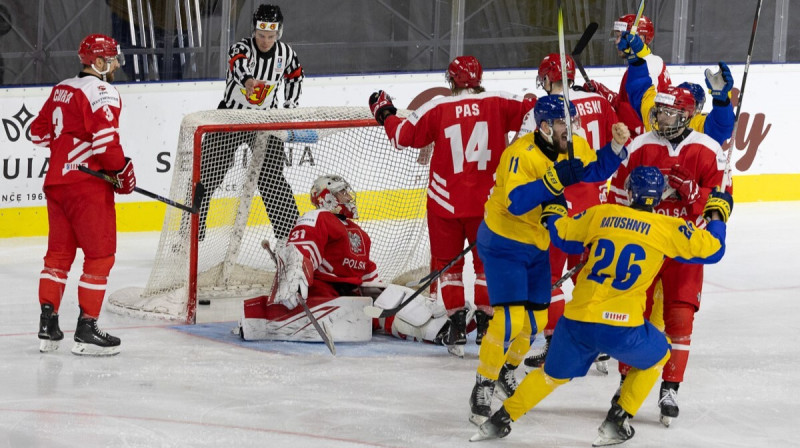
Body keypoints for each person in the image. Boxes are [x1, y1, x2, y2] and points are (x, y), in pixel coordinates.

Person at [470, 166, 733, 446]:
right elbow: (714, 249)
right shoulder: (667, 228)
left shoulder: (602, 214)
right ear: (659, 197)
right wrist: (717, 212)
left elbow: (560, 234)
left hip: (577, 322)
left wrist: (554, 202)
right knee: (660, 354)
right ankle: (616, 421)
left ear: (629, 193)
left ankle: (500, 420)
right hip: (622, 328)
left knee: (549, 376)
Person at [468, 94, 630, 426]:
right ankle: (483, 383)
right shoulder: (520, 154)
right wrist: (555, 179)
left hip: (536, 244)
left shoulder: (572, 144)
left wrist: (615, 147)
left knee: (536, 322)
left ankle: (506, 370)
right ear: (543, 126)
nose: (570, 128)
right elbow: (516, 202)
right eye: (561, 123)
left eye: (572, 121)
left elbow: (595, 170)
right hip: (504, 242)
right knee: (509, 320)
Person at [368, 55, 536, 357]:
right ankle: (486, 322)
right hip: (488, 203)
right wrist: (518, 146)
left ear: (450, 80)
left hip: (445, 202)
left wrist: (385, 113)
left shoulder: (437, 108)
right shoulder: (499, 101)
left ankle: (457, 325)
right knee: (487, 264)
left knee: (448, 266)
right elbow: (536, 110)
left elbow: (402, 137)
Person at [605, 85, 730, 427]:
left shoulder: (709, 149)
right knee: (631, 315)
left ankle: (670, 388)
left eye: (669, 113)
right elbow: (617, 196)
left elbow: (721, 204)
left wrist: (694, 195)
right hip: (643, 245)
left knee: (680, 318)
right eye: (658, 111)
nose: (661, 118)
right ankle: (626, 382)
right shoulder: (639, 146)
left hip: (684, 244)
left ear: (687, 116)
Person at [240, 175, 450, 345]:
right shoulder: (319, 217)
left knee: (391, 300)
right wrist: (294, 275)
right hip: (323, 290)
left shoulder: (360, 233)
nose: (348, 196)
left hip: (351, 294)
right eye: (341, 192)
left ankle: (442, 328)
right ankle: (268, 316)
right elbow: (303, 248)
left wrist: (382, 293)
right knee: (357, 310)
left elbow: (366, 272)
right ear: (327, 198)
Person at [30, 34, 136, 356]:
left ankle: (48, 325)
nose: (116, 65)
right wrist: (120, 170)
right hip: (87, 186)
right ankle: (87, 328)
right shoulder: (102, 91)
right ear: (99, 62)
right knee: (100, 256)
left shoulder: (62, 88)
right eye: (112, 60)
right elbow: (104, 144)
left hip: (57, 184)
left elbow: (37, 133)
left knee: (58, 256)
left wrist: (68, 147)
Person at [518, 53, 620, 371]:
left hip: (559, 205)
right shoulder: (598, 102)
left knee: (549, 277)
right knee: (589, 273)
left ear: (548, 79)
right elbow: (618, 140)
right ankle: (598, 341)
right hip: (594, 201)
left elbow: (525, 154)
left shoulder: (543, 111)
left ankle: (554, 344)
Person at [196, 4, 304, 241]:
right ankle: (191, 235)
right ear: (254, 30)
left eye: (271, 36)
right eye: (261, 35)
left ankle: (290, 237)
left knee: (272, 179)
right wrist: (247, 80)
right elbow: (238, 64)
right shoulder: (241, 47)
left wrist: (290, 107)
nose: (265, 41)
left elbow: (295, 77)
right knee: (207, 175)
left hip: (266, 121)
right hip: (230, 119)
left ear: (278, 33)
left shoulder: (286, 54)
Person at [618, 30, 736, 146]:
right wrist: (722, 102)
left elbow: (640, 90)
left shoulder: (658, 119)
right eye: (665, 111)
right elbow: (721, 128)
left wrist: (636, 59)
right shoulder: (695, 125)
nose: (663, 116)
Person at [583, 14, 670, 138]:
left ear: (640, 38)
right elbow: (627, 104)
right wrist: (603, 92)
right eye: (617, 36)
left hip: (643, 142)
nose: (617, 42)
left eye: (622, 37)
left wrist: (607, 100)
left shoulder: (646, 69)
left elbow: (634, 116)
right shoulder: (649, 63)